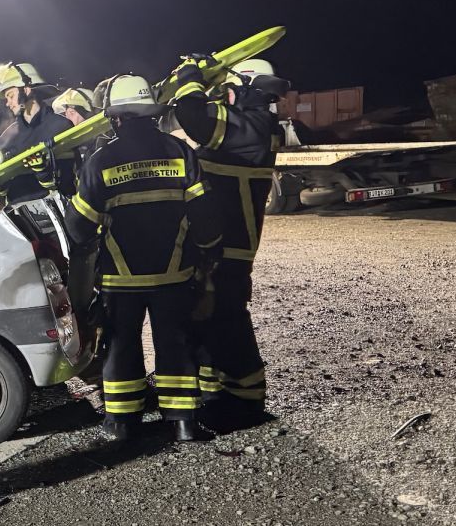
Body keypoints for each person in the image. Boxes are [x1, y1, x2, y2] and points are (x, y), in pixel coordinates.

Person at [64, 74, 223, 442]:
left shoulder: (101, 160)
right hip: (175, 273)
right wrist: (209, 253)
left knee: (121, 346)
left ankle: (122, 423)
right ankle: (182, 421)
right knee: (176, 343)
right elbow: (205, 215)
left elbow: (78, 228)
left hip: (121, 279)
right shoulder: (181, 152)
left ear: (115, 118)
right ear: (152, 114)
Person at [170, 57, 289, 429]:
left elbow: (193, 116)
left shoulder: (250, 127)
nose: (223, 97)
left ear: (241, 88)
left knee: (228, 321)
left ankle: (246, 402)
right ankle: (215, 394)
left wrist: (191, 77)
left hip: (230, 247)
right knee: (207, 317)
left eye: (226, 91)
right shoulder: (253, 125)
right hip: (220, 243)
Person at [0, 62, 75, 201]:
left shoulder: (60, 126)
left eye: (10, 95)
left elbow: (71, 179)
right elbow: (6, 191)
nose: (8, 103)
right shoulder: (7, 137)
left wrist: (44, 173)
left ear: (26, 90)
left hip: (56, 214)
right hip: (20, 218)